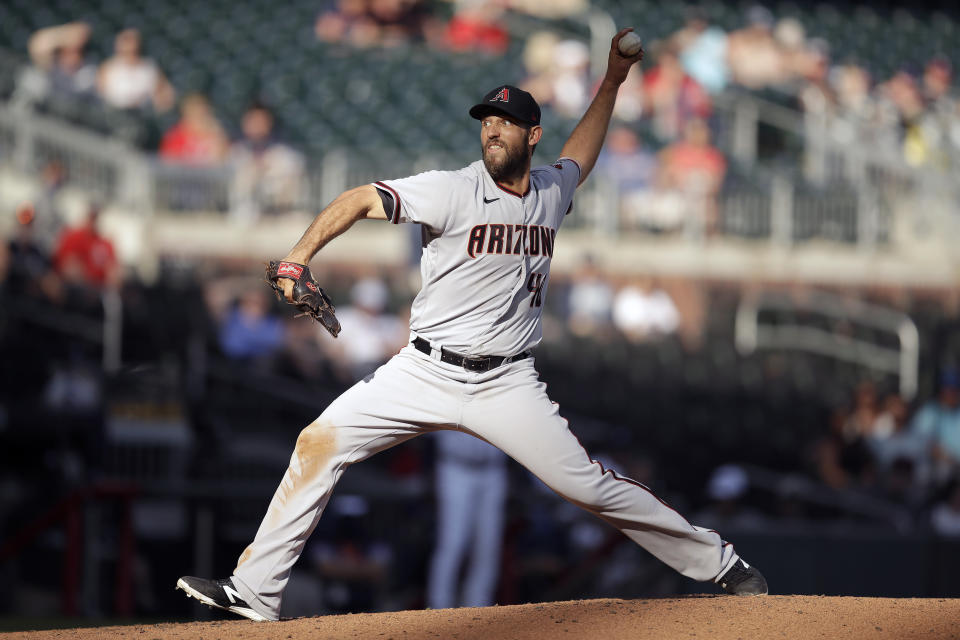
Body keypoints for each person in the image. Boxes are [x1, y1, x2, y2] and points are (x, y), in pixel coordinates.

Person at [176, 30, 766, 622]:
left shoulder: (550, 192)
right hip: (423, 368)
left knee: (587, 486)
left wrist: (612, 80)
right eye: (486, 120)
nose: (492, 129)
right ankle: (253, 591)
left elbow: (581, 156)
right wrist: (298, 258)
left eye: (506, 122)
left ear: (531, 136)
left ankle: (718, 562)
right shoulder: (452, 190)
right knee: (319, 442)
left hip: (507, 384)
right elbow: (358, 199)